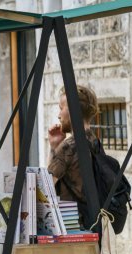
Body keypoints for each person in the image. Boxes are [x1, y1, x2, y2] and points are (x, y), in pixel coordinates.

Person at [47, 85, 99, 225]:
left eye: (61, 108)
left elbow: (45, 187)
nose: (58, 115)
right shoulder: (94, 141)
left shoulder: (69, 146)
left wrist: (54, 149)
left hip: (70, 227)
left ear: (72, 110)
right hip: (93, 224)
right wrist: (55, 145)